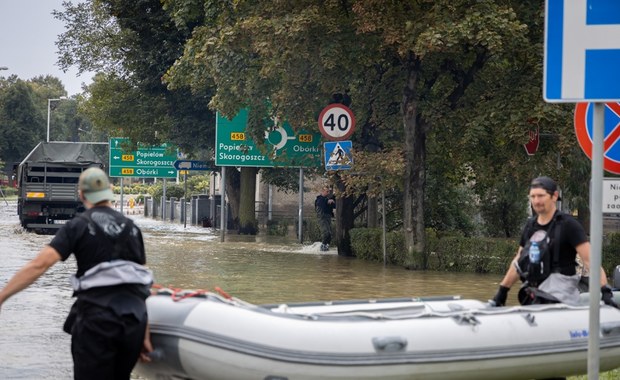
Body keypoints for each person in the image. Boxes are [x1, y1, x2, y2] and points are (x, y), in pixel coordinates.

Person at [0, 167, 153, 379]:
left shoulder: (79, 225)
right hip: (133, 323)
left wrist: (2, 297)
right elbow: (140, 282)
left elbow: (39, 265)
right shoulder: (132, 228)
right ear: (110, 191)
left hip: (98, 320)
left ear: (81, 195)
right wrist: (144, 331)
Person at [490, 176, 618, 308]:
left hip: (562, 298)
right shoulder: (530, 226)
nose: (536, 201)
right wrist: (502, 291)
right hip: (534, 294)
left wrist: (605, 290)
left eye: (541, 196)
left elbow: (590, 261)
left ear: (554, 196)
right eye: (532, 196)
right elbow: (519, 261)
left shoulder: (569, 225)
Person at [315, 186, 336, 251]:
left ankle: (326, 246)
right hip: (322, 218)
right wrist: (328, 200)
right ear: (322, 191)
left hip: (328, 218)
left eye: (329, 192)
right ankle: (323, 246)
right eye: (327, 191)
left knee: (329, 234)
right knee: (326, 232)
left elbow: (334, 206)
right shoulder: (319, 199)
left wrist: (333, 200)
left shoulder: (328, 199)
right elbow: (321, 203)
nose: (328, 193)